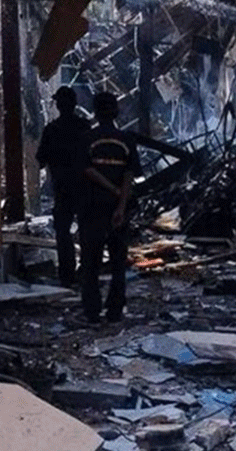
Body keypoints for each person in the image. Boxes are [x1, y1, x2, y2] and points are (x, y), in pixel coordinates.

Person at [77, 92, 141, 325]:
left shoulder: (87, 139)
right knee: (118, 262)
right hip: (118, 209)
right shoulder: (126, 140)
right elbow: (129, 175)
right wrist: (121, 204)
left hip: (92, 207)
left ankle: (92, 311)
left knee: (90, 262)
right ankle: (115, 311)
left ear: (95, 112)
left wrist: (111, 190)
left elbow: (87, 170)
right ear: (116, 112)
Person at [35, 86, 90, 288]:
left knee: (63, 232)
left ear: (58, 105)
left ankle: (67, 274)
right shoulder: (84, 127)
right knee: (86, 230)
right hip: (85, 186)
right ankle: (87, 271)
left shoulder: (52, 130)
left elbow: (40, 160)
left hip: (62, 188)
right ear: (74, 104)